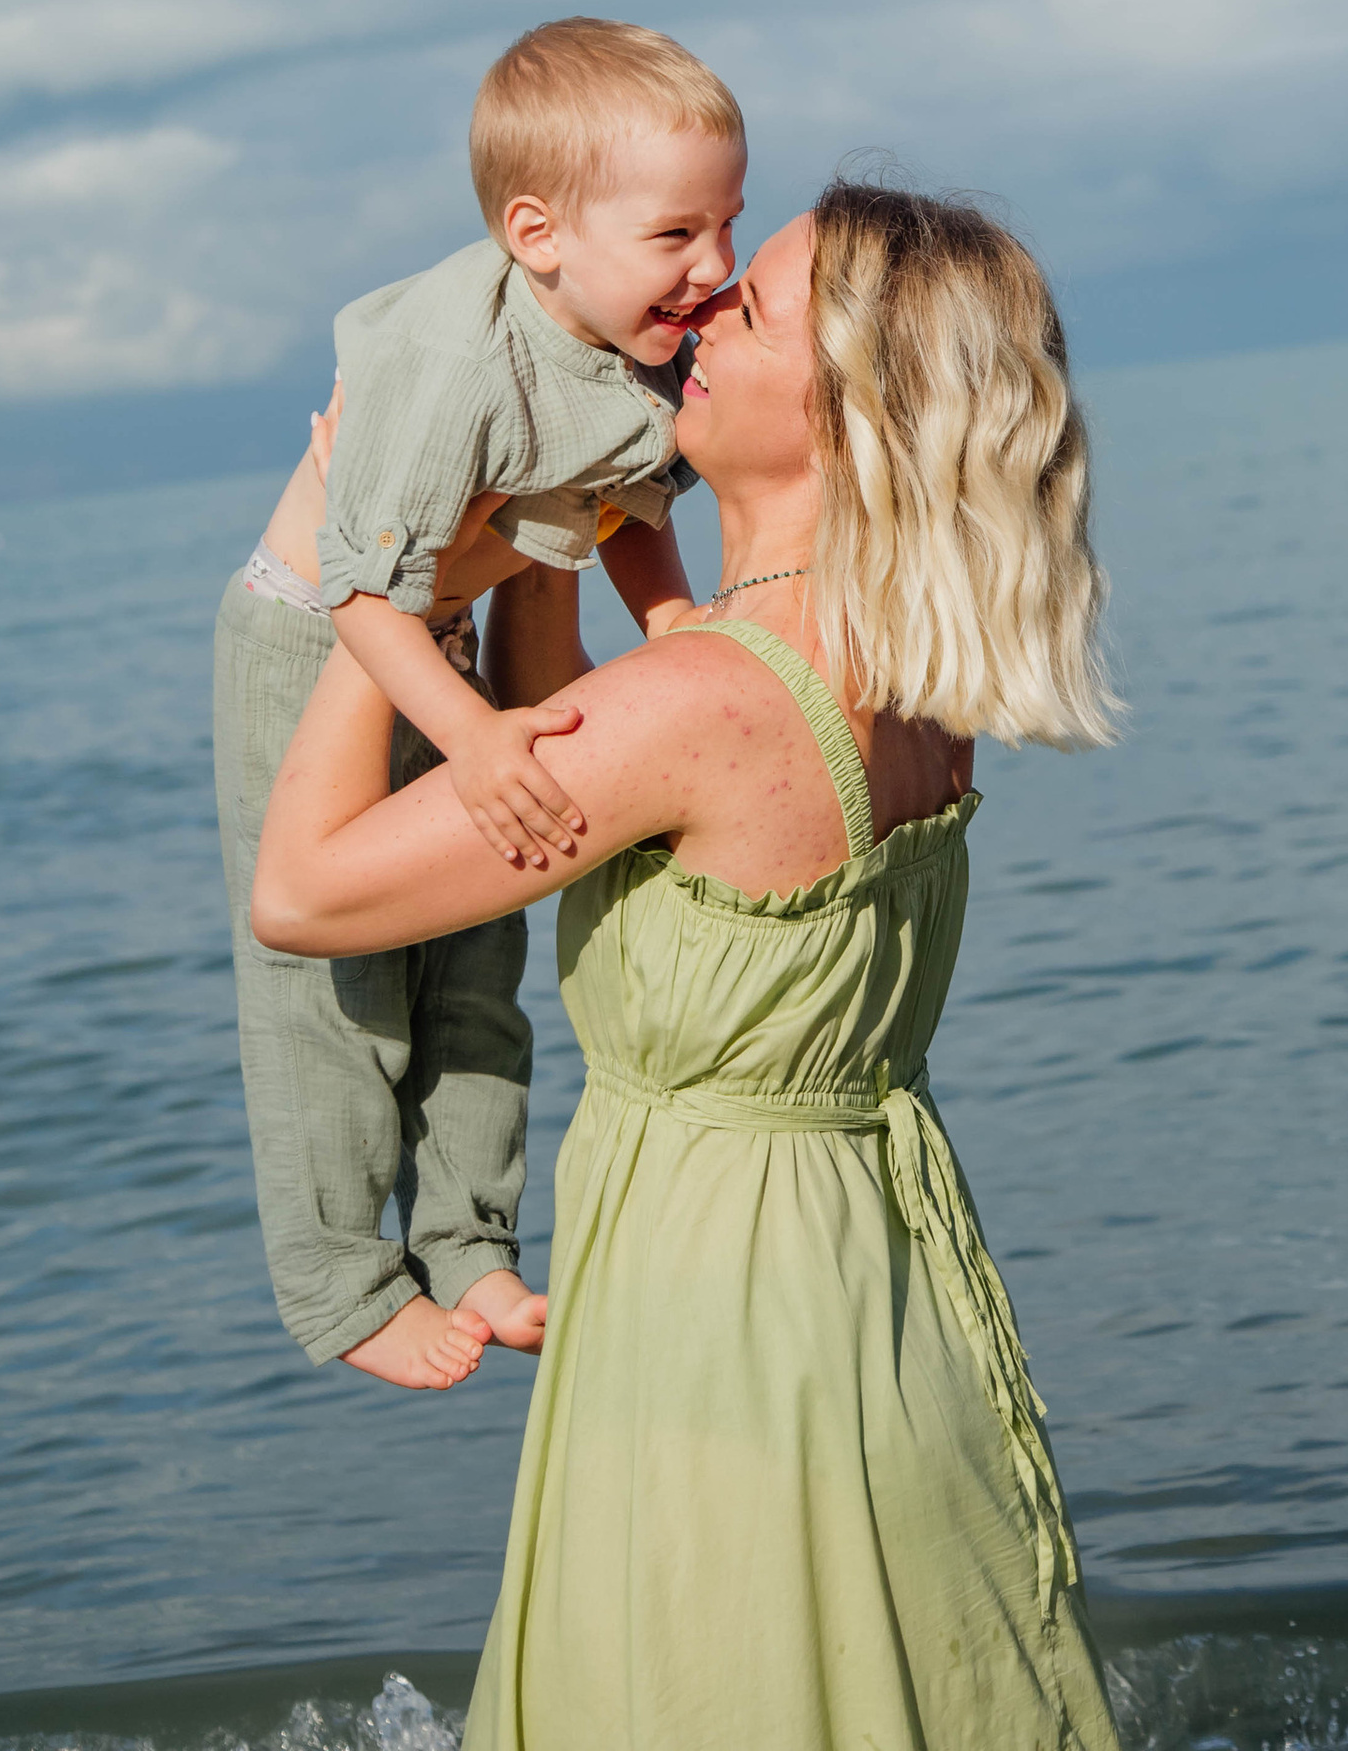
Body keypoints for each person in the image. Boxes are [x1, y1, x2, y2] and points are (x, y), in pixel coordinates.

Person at [252, 177, 1124, 1751]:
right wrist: (543, 520)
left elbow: (305, 894)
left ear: (850, 414)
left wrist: (346, 578)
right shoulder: (909, 673)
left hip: (721, 1323)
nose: (705, 306)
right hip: (872, 1276)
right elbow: (576, 716)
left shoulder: (711, 700)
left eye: (757, 305)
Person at [213, 18, 747, 1391]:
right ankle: (338, 1281)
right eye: (679, 235)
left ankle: (468, 1243)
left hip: (448, 621)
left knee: (477, 956)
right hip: (320, 628)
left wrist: (676, 618)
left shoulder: (638, 335)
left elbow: (619, 496)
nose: (717, 268)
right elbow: (359, 595)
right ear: (539, 232)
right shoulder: (458, 365)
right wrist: (473, 733)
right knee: (335, 983)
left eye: (729, 224)